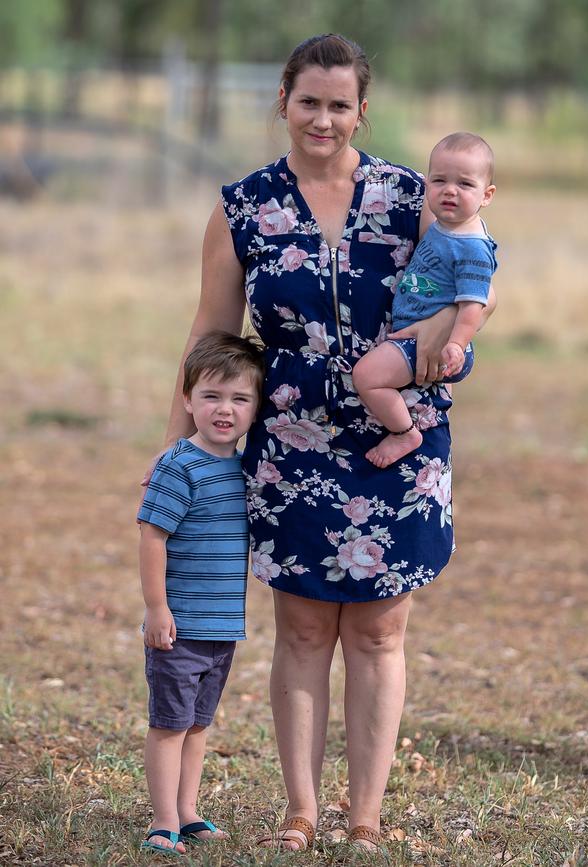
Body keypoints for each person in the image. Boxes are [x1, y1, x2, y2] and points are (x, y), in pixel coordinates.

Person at [144, 34, 495, 853]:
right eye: (310, 101)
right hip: (291, 446)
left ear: (361, 111)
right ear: (283, 103)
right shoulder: (243, 208)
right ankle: (302, 810)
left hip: (396, 440)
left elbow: (475, 277)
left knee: (378, 632)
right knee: (301, 630)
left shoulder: (415, 195)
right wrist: (175, 449)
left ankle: (365, 814)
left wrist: (447, 349)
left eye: (341, 104)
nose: (324, 118)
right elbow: (210, 334)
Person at [138, 331, 264, 856]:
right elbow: (152, 536)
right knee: (169, 725)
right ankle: (162, 820)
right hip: (181, 625)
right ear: (187, 400)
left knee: (197, 726)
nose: (224, 410)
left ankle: (188, 812)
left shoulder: (245, 468)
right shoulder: (179, 465)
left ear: (255, 407)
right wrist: (156, 607)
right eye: (211, 396)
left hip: (222, 629)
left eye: (239, 399)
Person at [353, 131, 497, 468]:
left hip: (430, 343)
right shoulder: (446, 227)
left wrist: (457, 345)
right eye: (439, 180)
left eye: (464, 184)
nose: (450, 190)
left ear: (486, 195)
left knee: (367, 377)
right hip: (415, 335)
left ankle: (404, 431)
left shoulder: (472, 247)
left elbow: (474, 304)